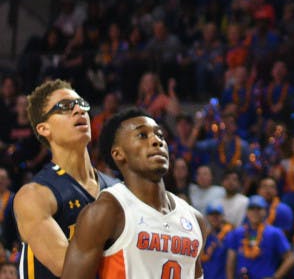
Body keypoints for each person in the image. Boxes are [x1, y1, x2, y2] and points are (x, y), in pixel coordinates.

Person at [60, 107, 207, 279]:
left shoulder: (194, 219)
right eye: (142, 135)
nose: (156, 141)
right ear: (118, 154)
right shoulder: (106, 212)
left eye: (160, 135)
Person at [14, 79, 117, 279]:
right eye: (65, 107)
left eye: (81, 104)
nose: (79, 110)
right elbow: (69, 270)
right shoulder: (34, 194)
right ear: (44, 129)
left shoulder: (118, 189)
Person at [225, 195, 294, 279]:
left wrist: (275, 277)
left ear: (265, 211)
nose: (255, 212)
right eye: (252, 209)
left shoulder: (274, 233)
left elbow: (290, 258)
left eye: (259, 209)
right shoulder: (237, 233)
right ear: (246, 212)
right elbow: (231, 261)